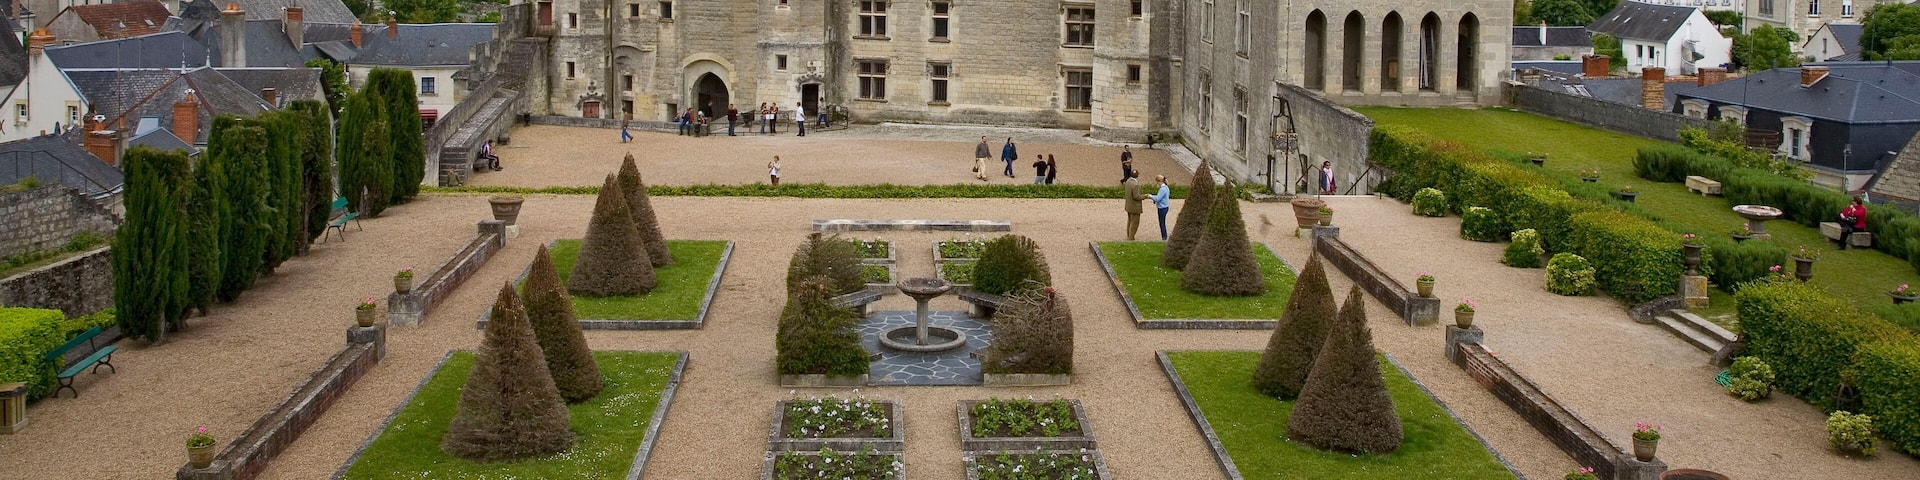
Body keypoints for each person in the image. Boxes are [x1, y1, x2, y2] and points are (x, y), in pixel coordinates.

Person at [1149, 175, 1171, 240]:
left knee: (1162, 223)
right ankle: (1164, 236)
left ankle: (1164, 237)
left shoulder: (1162, 189)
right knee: (1162, 222)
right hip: (1165, 207)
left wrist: (1150, 196)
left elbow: (1157, 198)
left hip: (1162, 208)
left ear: (1159, 181)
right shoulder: (1166, 187)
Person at [1123, 169, 1144, 240]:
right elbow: (1136, 196)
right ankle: (1131, 237)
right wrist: (1145, 196)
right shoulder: (1135, 185)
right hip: (1135, 207)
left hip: (1129, 205)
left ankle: (1129, 235)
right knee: (1134, 223)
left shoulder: (1128, 181)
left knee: (1129, 221)